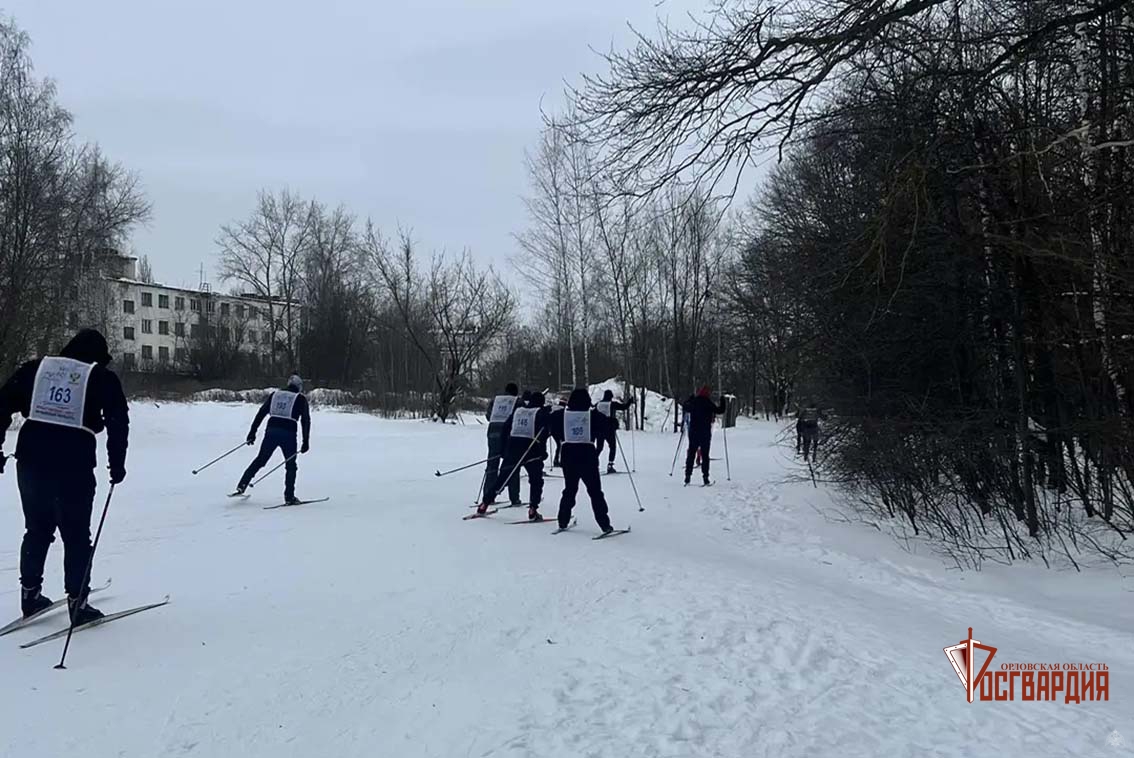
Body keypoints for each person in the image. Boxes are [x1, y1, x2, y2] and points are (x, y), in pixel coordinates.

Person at [0, 328, 129, 625]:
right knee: (76, 536)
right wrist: (117, 464)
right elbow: (118, 421)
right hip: (73, 465)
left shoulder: (37, 369)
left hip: (31, 460)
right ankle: (78, 603)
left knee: (36, 529)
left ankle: (30, 595)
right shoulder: (101, 377)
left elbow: (2, 403)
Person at [234, 374, 311, 503]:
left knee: (260, 460)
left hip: (271, 432)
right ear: (299, 386)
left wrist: (252, 432)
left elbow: (261, 413)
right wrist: (305, 441)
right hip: (288, 434)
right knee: (290, 465)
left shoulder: (275, 395)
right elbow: (305, 421)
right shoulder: (300, 398)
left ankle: (242, 485)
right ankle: (289, 497)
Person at [549, 388, 614, 533]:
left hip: (568, 454)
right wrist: (611, 423)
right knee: (595, 491)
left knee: (570, 489)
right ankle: (604, 524)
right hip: (587, 455)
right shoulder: (593, 415)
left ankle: (562, 521)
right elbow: (608, 426)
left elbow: (550, 424)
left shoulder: (561, 415)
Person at [483, 391, 552, 521]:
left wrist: (504, 448)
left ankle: (485, 503)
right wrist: (543, 453)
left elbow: (506, 428)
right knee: (536, 481)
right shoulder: (540, 413)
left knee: (502, 478)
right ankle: (533, 509)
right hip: (531, 450)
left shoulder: (518, 411)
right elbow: (543, 434)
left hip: (513, 448)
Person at [479, 382, 520, 511]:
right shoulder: (517, 401)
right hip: (508, 434)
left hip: (492, 432)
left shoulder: (495, 400)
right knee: (511, 464)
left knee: (492, 464)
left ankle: (488, 496)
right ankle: (514, 497)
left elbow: (488, 416)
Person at [681, 385, 728, 486]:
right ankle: (705, 477)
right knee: (705, 455)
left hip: (694, 433)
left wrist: (690, 399)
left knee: (691, 454)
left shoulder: (694, 402)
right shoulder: (708, 403)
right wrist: (722, 401)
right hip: (705, 433)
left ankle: (687, 477)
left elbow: (685, 407)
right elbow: (720, 410)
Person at [594, 389, 636, 473]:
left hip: (599, 429)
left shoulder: (598, 404)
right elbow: (623, 407)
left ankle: (592, 463)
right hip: (609, 429)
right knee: (612, 447)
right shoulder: (612, 404)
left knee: (599, 448)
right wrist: (630, 402)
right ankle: (610, 465)